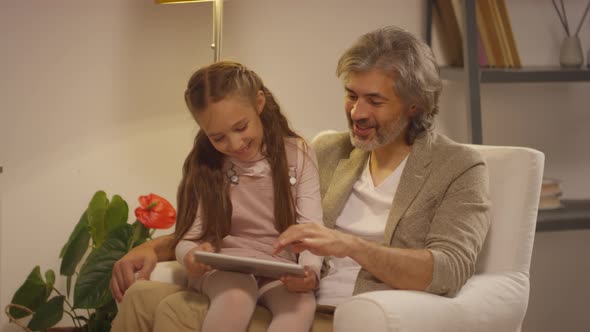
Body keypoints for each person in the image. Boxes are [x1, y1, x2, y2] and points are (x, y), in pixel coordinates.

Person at [111, 26, 491, 330]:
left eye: (374, 101)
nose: (356, 112)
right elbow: (250, 223)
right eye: (350, 95)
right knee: (143, 298)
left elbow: (450, 269)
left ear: (415, 104)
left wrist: (351, 246)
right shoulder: (328, 150)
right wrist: (154, 249)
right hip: (289, 295)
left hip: (354, 315)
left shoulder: (458, 167)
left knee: (174, 312)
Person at [112, 61, 324, 332]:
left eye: (241, 127)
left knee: (302, 304)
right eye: (218, 137)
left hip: (278, 269)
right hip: (222, 271)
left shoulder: (299, 154)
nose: (235, 144)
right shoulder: (207, 164)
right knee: (237, 295)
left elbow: (311, 230)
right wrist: (191, 256)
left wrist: (309, 272)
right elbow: (188, 239)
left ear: (259, 103)